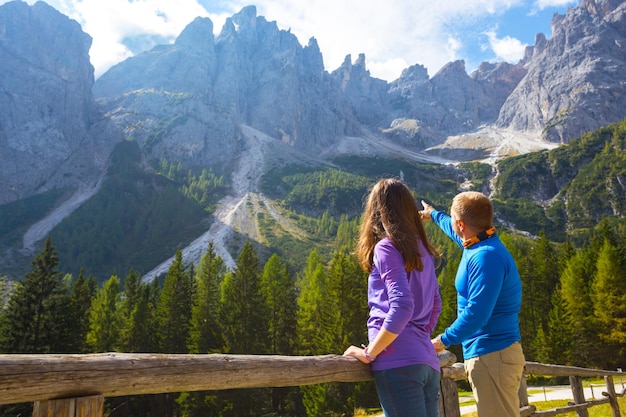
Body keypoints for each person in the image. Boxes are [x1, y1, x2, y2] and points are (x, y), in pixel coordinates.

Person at [419, 191, 525, 417]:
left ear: (462, 224)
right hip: (494, 356)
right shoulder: (480, 243)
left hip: (492, 356)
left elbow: (477, 314)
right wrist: (434, 215)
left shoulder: (485, 257)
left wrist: (440, 341)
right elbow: (453, 229)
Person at [343, 178, 442, 417]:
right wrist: (418, 336)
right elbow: (436, 305)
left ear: (376, 211)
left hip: (398, 362)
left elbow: (402, 306)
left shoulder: (387, 247)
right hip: (427, 362)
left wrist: (370, 353)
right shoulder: (423, 251)